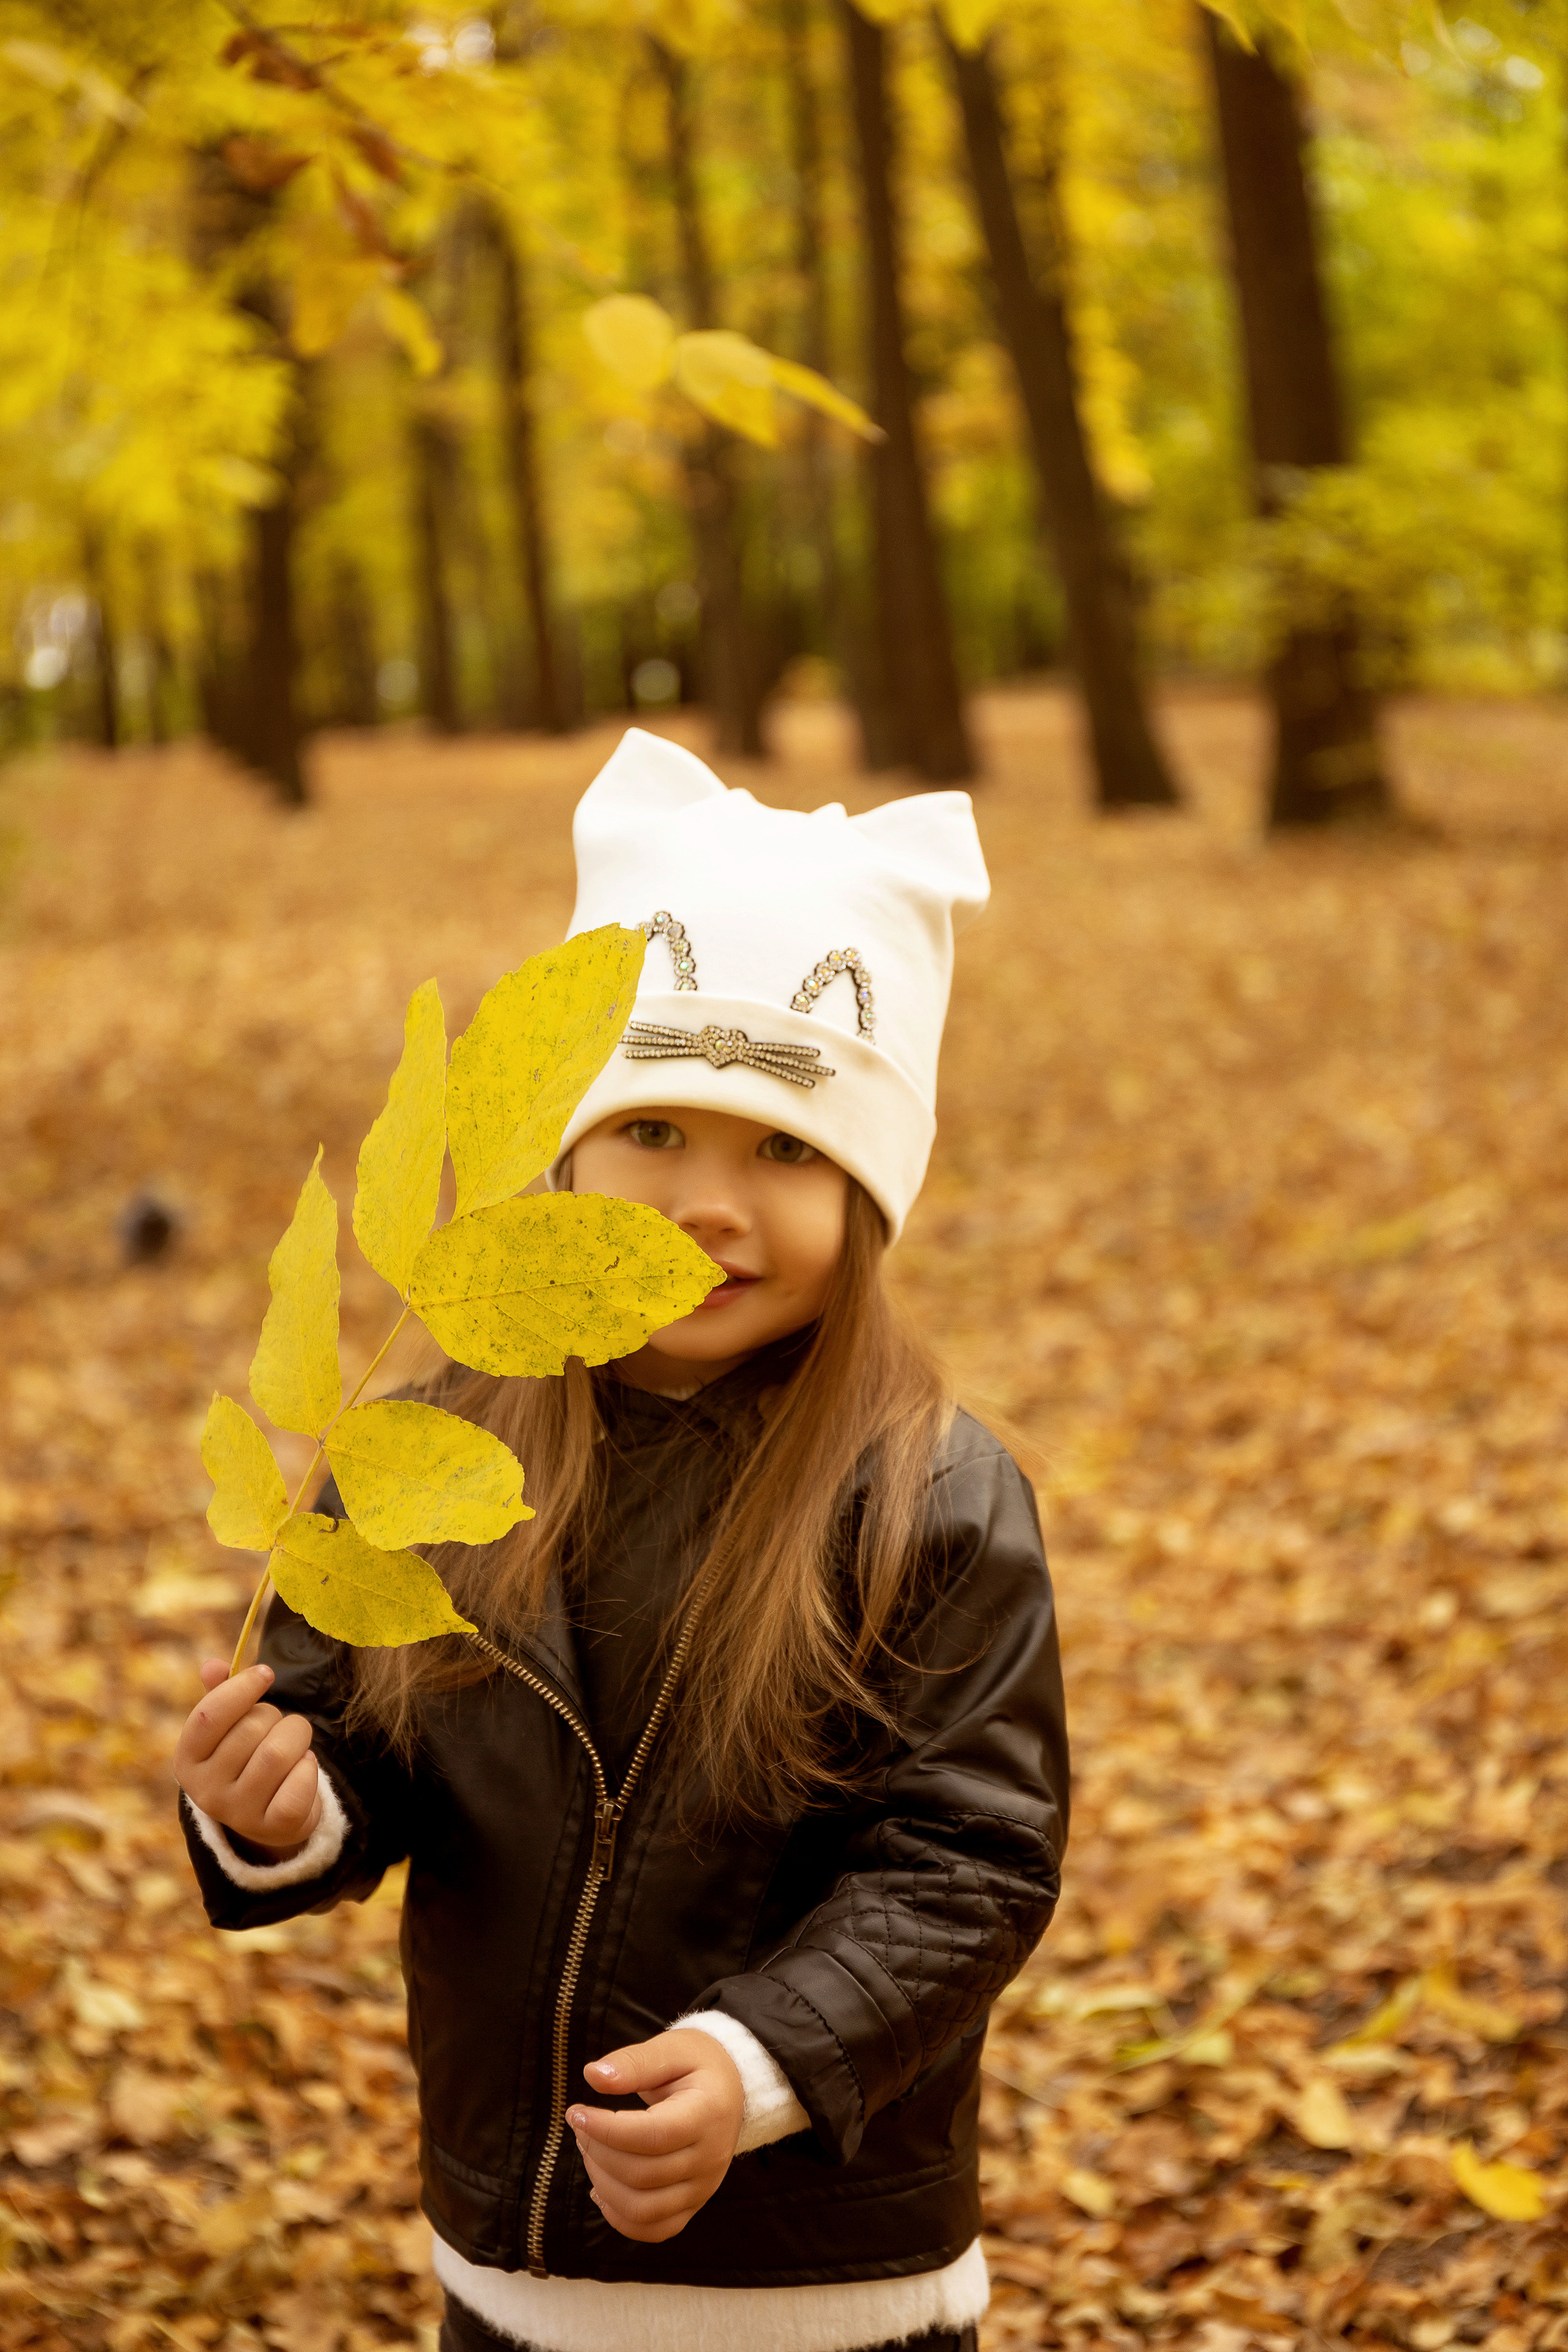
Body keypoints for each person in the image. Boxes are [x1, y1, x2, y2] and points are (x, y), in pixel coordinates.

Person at [175, 729, 1070, 2352]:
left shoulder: (927, 1493)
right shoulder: (430, 1445)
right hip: (510, 2270)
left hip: (818, 2287)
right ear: (569, 1152)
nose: (706, 1204)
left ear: (866, 1198)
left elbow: (970, 1856)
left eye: (785, 1148)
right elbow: (360, 1735)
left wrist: (757, 2064)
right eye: (656, 1131)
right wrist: (285, 1810)